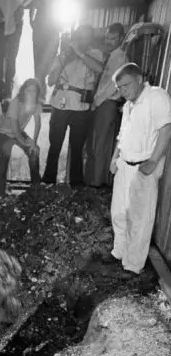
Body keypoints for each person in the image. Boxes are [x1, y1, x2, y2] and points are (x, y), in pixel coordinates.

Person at [109, 63, 171, 276]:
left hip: (143, 166)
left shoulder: (156, 97)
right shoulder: (128, 105)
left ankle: (133, 265)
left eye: (126, 85)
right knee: (118, 212)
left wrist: (153, 161)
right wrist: (115, 157)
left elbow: (166, 129)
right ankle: (119, 251)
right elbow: (122, 134)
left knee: (139, 218)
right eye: (119, 88)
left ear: (139, 79)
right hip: (124, 164)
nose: (123, 91)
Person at [43, 24, 103, 186]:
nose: (83, 40)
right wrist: (64, 59)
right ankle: (48, 183)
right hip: (60, 105)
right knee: (55, 146)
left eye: (87, 37)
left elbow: (99, 68)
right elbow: (50, 81)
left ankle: (77, 186)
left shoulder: (95, 54)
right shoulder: (63, 55)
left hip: (81, 108)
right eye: (80, 36)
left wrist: (79, 53)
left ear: (91, 39)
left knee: (77, 149)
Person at [30, 0, 91, 99]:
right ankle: (40, 97)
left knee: (52, 60)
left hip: (53, 26)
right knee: (39, 62)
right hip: (41, 24)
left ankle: (52, 94)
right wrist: (31, 18)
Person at [85, 23, 128, 187]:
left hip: (106, 102)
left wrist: (96, 101)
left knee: (100, 144)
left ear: (121, 38)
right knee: (98, 143)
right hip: (104, 102)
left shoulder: (119, 57)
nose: (109, 41)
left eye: (113, 38)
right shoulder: (111, 55)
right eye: (107, 38)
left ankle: (96, 183)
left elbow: (112, 84)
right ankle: (95, 180)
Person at [0, 78, 42, 195]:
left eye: (34, 91)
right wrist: (25, 142)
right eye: (28, 90)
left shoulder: (36, 104)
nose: (31, 93)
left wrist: (33, 143)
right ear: (23, 91)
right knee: (3, 164)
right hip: (5, 133)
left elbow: (38, 124)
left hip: (18, 132)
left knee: (34, 152)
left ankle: (36, 188)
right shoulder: (16, 102)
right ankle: (0, 193)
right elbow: (14, 128)